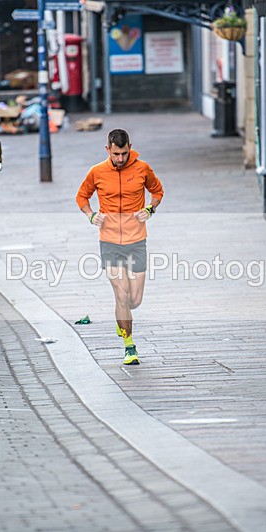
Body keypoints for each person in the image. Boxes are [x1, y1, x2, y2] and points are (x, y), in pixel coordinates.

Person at [76, 129, 164, 365]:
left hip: (136, 241)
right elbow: (81, 197)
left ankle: (122, 321)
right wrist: (91, 215)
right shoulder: (97, 172)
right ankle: (129, 346)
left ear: (130, 148)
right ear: (108, 150)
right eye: (115, 154)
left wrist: (150, 209)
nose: (120, 159)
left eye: (124, 153)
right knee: (122, 294)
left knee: (135, 300)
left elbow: (157, 191)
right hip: (110, 241)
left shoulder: (142, 168)